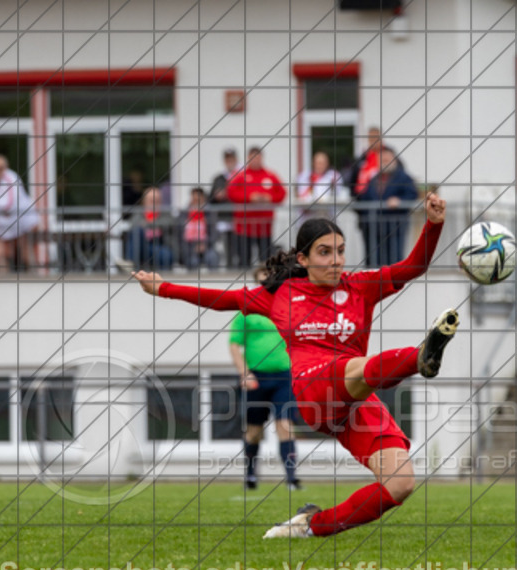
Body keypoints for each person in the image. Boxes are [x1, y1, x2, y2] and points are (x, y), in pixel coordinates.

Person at [135, 193, 456, 538]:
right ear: (302, 258)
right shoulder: (281, 294)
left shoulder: (360, 287)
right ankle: (419, 357)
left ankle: (310, 525)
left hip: (357, 397)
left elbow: (413, 268)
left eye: (341, 251)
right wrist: (163, 288)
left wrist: (433, 224)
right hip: (314, 390)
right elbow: (220, 300)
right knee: (354, 366)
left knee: (400, 483)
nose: (336, 261)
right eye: (325, 252)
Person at [229, 267, 302, 491]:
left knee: (285, 425)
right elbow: (234, 344)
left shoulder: (290, 305)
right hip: (256, 378)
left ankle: (291, 478)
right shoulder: (247, 308)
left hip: (284, 376)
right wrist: (245, 372)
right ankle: (250, 476)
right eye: (264, 277)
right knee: (254, 430)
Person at [358, 146, 419, 267]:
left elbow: (413, 194)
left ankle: (394, 285)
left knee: (394, 260)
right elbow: (365, 197)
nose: (384, 163)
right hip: (374, 227)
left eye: (387, 160)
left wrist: (399, 201)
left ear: (394, 160)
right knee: (375, 261)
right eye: (382, 160)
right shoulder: (374, 179)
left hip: (395, 227)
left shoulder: (403, 177)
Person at [226, 146, 286, 267]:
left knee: (266, 261)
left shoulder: (270, 175)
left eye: (258, 157)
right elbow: (231, 193)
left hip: (264, 227)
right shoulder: (240, 175)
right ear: (248, 158)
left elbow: (282, 193)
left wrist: (269, 198)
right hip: (244, 227)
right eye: (253, 158)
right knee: (244, 260)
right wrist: (250, 197)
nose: (255, 160)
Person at [344, 127, 384, 265]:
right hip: (365, 212)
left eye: (375, 138)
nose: (373, 141)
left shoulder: (388, 156)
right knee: (369, 247)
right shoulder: (362, 158)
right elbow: (352, 181)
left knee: (384, 247)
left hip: (384, 214)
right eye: (370, 138)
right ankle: (370, 274)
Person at [126, 187, 174, 271]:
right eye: (152, 201)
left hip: (160, 248)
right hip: (141, 248)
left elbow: (169, 223)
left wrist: (148, 224)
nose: (155, 204)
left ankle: (131, 263)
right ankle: (130, 263)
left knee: (166, 254)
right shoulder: (138, 214)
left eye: (157, 201)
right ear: (144, 202)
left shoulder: (166, 214)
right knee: (137, 231)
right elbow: (132, 227)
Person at [209, 148, 240, 267]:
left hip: (238, 218)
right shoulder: (218, 178)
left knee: (239, 246)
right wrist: (217, 196)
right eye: (227, 159)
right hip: (224, 219)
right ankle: (229, 265)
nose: (230, 161)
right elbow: (210, 199)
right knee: (227, 247)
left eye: (232, 159)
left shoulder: (241, 176)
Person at [296, 151, 347, 222]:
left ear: (327, 163)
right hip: (308, 217)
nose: (320, 165)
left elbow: (339, 194)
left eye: (323, 163)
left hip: (327, 216)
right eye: (318, 163)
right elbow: (300, 195)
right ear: (313, 163)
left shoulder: (333, 176)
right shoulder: (304, 176)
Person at [181, 187, 219, 269]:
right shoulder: (184, 214)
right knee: (192, 261)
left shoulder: (209, 214)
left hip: (207, 247)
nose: (196, 203)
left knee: (212, 257)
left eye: (199, 200)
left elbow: (214, 233)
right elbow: (180, 235)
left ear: (203, 199)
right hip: (190, 248)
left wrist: (205, 244)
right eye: (194, 200)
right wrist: (193, 247)